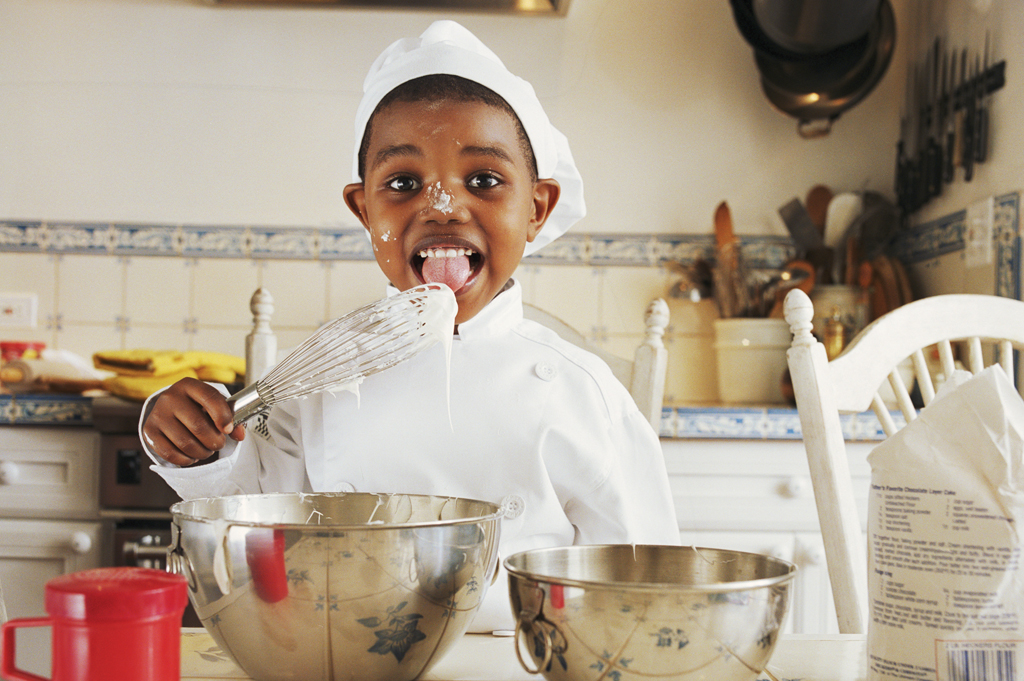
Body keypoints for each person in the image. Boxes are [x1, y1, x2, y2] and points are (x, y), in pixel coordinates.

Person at [139, 20, 680, 631]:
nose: (442, 205)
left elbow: (642, 585)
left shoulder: (587, 395)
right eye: (402, 183)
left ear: (537, 207)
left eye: (483, 180)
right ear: (364, 209)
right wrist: (192, 446)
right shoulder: (310, 385)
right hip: (340, 661)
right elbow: (246, 519)